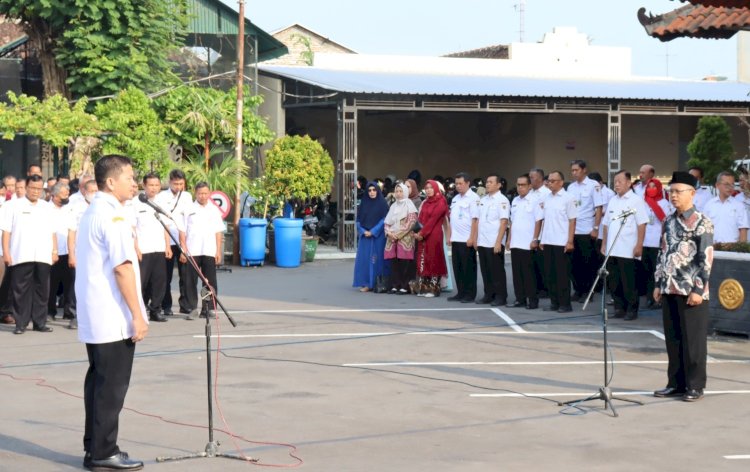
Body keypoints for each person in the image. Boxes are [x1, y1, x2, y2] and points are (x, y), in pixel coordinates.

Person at [76, 154, 148, 470]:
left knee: (98, 382)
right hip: (112, 316)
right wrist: (137, 314)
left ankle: (95, 447)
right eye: (129, 177)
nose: (134, 183)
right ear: (110, 181)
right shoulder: (113, 217)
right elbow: (122, 269)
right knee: (111, 386)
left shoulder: (94, 211)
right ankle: (104, 452)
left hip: (96, 313)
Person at [653, 171, 714, 402]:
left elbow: (705, 258)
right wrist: (659, 283)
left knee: (694, 342)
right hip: (669, 287)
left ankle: (695, 385)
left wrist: (698, 290)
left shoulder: (702, 222)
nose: (673, 196)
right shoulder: (668, 221)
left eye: (678, 191)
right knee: (674, 339)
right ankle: (675, 384)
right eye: (671, 192)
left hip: (691, 291)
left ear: (692, 193)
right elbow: (663, 252)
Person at [2, 175, 58, 334]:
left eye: (39, 189)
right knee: (20, 291)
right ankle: (21, 323)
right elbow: (6, 232)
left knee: (42, 290)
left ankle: (40, 322)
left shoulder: (46, 207)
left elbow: (52, 231)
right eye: (33, 188)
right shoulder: (13, 206)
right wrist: (6, 252)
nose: (36, 192)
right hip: (21, 254)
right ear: (26, 187)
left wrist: (54, 250)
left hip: (43, 254)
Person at [600, 171, 649, 321]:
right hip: (612, 248)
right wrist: (604, 243)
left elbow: (642, 223)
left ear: (628, 183)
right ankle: (619, 308)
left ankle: (631, 310)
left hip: (628, 248)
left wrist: (639, 244)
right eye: (615, 181)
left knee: (629, 281)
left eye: (620, 181)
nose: (617, 184)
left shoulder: (636, 200)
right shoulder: (613, 200)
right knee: (614, 281)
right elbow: (606, 224)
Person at [179, 182, 225, 320]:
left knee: (209, 281)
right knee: (190, 281)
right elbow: (182, 230)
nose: (203, 196)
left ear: (209, 193)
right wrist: (183, 250)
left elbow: (218, 231)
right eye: (200, 193)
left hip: (209, 250)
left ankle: (208, 308)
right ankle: (192, 308)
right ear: (195, 193)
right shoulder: (188, 209)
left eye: (205, 193)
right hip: (192, 250)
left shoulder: (214, 210)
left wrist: (218, 251)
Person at [533, 170, 577, 313]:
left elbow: (572, 220)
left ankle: (565, 304)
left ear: (561, 182)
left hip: (561, 242)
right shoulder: (547, 198)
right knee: (550, 274)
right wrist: (541, 238)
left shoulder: (568, 198)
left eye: (552, 181)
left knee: (562, 275)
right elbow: (545, 220)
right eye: (548, 181)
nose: (549, 183)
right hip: (548, 240)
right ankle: (554, 302)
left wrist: (570, 241)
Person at [135, 173, 172, 322]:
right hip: (143, 248)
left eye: (157, 185)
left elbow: (166, 226)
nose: (154, 188)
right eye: (151, 185)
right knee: (142, 282)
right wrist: (136, 247)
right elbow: (132, 227)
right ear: (144, 185)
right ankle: (140, 309)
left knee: (159, 281)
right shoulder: (136, 202)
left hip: (159, 247)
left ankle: (156, 310)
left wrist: (168, 246)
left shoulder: (162, 202)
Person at [155, 169, 193, 315]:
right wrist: (166, 245)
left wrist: (185, 245)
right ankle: (166, 306)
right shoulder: (161, 197)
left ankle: (185, 304)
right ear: (170, 182)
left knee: (185, 275)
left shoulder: (187, 196)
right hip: (168, 240)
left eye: (181, 184)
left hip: (183, 239)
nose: (178, 187)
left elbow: (188, 220)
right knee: (166, 275)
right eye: (176, 183)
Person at [567, 160, 604, 302]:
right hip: (572, 230)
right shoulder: (570, 187)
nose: (574, 173)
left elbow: (598, 208)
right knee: (574, 263)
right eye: (572, 170)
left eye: (576, 170)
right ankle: (578, 289)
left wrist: (595, 228)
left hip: (587, 230)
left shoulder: (593, 185)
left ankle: (588, 292)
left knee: (587, 263)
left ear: (584, 170)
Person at [67, 179, 98, 330]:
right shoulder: (76, 206)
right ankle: (74, 316)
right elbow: (71, 232)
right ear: (84, 191)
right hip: (80, 253)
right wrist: (71, 254)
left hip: (97, 254)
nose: (94, 194)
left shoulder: (102, 207)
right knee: (77, 285)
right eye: (91, 191)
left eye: (96, 191)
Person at [508, 174, 542, 309]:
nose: (520, 187)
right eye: (518, 185)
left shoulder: (535, 200)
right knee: (517, 273)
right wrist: (509, 239)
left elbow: (538, 221)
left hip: (528, 243)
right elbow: (512, 222)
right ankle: (520, 299)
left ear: (529, 186)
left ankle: (532, 300)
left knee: (529, 274)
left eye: (523, 185)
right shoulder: (515, 201)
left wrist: (535, 239)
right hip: (516, 242)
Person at [476, 173, 510, 306]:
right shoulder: (484, 199)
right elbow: (479, 221)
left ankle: (501, 296)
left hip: (494, 241)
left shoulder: (502, 200)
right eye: (487, 182)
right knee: (485, 270)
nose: (487, 184)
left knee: (497, 271)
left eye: (491, 182)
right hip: (483, 241)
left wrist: (498, 242)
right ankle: (488, 294)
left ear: (499, 185)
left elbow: (503, 222)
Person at [447, 172, 480, 303]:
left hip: (467, 239)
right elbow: (451, 219)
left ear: (468, 183)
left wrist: (472, 237)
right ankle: (460, 292)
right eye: (456, 184)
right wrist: (449, 236)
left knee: (468, 268)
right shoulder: (455, 199)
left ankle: (470, 294)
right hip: (456, 238)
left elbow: (475, 219)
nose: (458, 186)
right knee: (458, 267)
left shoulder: (473, 198)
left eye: (461, 183)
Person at [641, 178, 673, 309]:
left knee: (657, 272)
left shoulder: (665, 203)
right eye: (649, 186)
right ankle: (649, 297)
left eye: (654, 186)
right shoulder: (643, 203)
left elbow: (668, 221)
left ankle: (658, 298)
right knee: (647, 272)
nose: (651, 189)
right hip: (645, 242)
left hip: (658, 242)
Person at [414, 180, 449, 297]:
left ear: (436, 189)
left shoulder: (441, 202)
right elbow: (421, 219)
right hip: (423, 234)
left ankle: (434, 289)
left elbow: (433, 220)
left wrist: (421, 233)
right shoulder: (426, 202)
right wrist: (417, 232)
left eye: (431, 188)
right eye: (426, 188)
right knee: (423, 259)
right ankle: (425, 288)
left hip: (434, 234)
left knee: (434, 259)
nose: (428, 190)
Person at [353, 182, 389, 292]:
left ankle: (378, 283)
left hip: (378, 237)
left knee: (377, 260)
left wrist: (373, 231)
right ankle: (366, 283)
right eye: (369, 190)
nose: (372, 192)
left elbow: (384, 219)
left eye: (374, 190)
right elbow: (358, 220)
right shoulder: (364, 204)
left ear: (378, 191)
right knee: (365, 260)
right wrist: (363, 231)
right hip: (365, 237)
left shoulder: (382, 204)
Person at [47, 182, 75, 321]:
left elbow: (72, 231)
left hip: (67, 252)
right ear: (55, 194)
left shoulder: (69, 208)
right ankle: (50, 311)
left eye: (67, 193)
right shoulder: (45, 208)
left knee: (69, 283)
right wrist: (53, 250)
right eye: (64, 194)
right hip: (50, 253)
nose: (67, 196)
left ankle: (68, 312)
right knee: (51, 284)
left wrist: (72, 253)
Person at [384, 183, 418, 293]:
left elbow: (411, 222)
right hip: (392, 238)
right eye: (396, 191)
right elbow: (387, 222)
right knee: (394, 263)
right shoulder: (393, 206)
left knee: (405, 263)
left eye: (400, 191)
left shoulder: (410, 205)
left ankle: (405, 286)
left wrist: (397, 235)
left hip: (405, 238)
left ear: (405, 192)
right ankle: (395, 284)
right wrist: (389, 233)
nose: (398, 194)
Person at [702, 171, 748, 243]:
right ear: (717, 185)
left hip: (732, 250)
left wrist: (741, 249)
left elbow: (743, 230)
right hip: (712, 248)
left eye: (732, 184)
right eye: (726, 184)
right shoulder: (709, 205)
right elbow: (704, 228)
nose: (730, 188)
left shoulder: (739, 206)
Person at [528, 168, 550, 298]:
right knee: (533, 264)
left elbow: (544, 217)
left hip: (542, 235)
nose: (531, 179)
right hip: (530, 234)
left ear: (541, 178)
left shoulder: (546, 193)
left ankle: (545, 288)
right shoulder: (530, 193)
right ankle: (536, 287)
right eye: (530, 177)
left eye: (533, 177)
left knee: (543, 265)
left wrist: (539, 237)